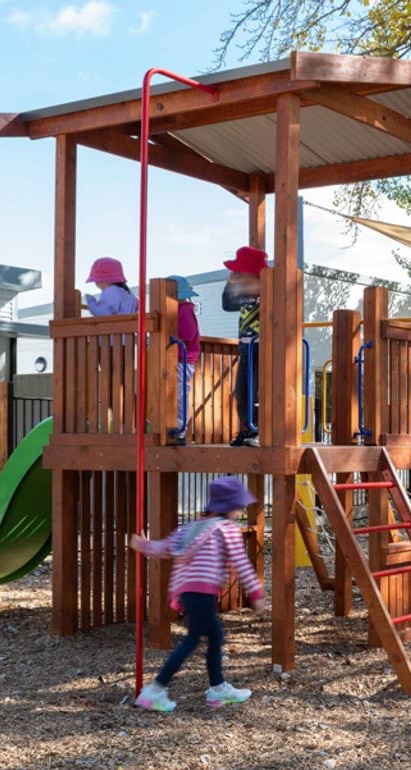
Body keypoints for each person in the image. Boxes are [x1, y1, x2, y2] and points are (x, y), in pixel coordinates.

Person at [128, 477, 267, 713]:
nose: (238, 511)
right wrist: (256, 593)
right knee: (192, 640)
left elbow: (164, 548)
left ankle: (218, 689)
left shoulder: (189, 528)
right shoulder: (227, 530)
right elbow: (242, 564)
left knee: (214, 636)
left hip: (187, 593)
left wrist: (142, 545)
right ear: (227, 507)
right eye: (237, 506)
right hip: (202, 593)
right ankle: (155, 690)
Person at [222, 246, 269, 447]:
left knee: (258, 391)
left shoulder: (267, 294)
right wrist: (230, 281)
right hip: (245, 348)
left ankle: (259, 431)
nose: (240, 281)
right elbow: (226, 304)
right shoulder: (243, 296)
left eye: (243, 275)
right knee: (242, 392)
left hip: (262, 347)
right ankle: (248, 430)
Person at [166, 274, 201, 446]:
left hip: (183, 358)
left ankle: (180, 429)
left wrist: (169, 331)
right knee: (173, 392)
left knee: (179, 392)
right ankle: (173, 426)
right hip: (176, 358)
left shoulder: (185, 309)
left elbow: (188, 333)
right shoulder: (177, 311)